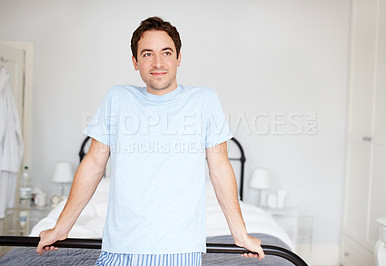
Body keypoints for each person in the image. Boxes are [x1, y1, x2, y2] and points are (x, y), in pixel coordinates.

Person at [36, 16, 265, 265]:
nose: (157, 62)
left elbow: (220, 167)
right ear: (135, 62)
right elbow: (93, 164)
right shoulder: (118, 98)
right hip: (119, 248)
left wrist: (240, 234)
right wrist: (61, 228)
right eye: (147, 54)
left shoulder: (204, 101)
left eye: (166, 52)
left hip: (179, 248)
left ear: (178, 58)